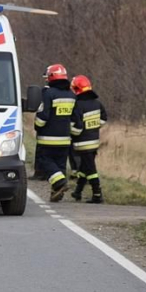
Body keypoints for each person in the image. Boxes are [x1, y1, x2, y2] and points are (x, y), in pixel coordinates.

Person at [34, 64, 76, 202]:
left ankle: (60, 183)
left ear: (51, 77)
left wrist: (37, 126)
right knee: (60, 165)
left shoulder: (49, 93)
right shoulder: (71, 95)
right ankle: (56, 192)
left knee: (45, 162)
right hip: (65, 139)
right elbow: (75, 118)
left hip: (48, 138)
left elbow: (43, 116)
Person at [69, 75, 108, 203]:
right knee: (85, 168)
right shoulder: (97, 103)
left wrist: (70, 132)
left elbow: (77, 129)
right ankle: (77, 192)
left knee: (91, 169)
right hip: (94, 141)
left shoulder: (77, 105)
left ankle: (97, 194)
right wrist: (93, 127)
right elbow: (103, 119)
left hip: (82, 143)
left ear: (76, 89)